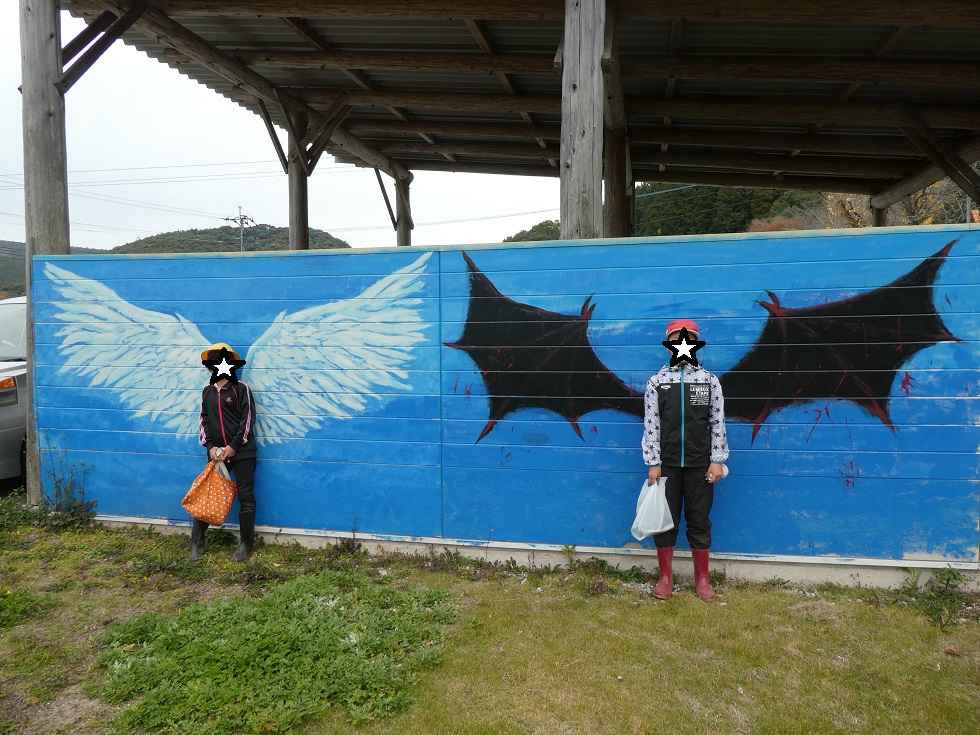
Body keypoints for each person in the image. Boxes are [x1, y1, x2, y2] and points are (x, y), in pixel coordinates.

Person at [641, 319, 729, 601]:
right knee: (665, 522)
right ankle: (665, 578)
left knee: (699, 520)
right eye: (677, 340)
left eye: (689, 339)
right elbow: (651, 425)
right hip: (666, 466)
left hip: (700, 466)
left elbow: (717, 422)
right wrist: (654, 462)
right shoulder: (657, 383)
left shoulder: (709, 381)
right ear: (668, 346)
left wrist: (717, 459)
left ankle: (702, 580)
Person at [191, 342, 258, 563]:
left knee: (246, 495)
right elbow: (204, 420)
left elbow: (248, 420)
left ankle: (246, 544)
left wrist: (233, 446)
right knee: (208, 494)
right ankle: (197, 542)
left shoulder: (241, 389)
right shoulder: (208, 391)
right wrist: (210, 446)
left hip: (242, 451)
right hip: (217, 454)